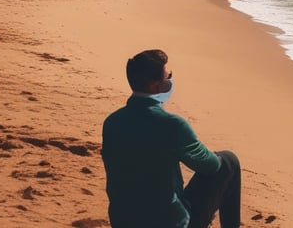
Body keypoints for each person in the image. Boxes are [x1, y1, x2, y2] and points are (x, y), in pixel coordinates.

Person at [102, 49, 241, 228]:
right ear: (156, 85)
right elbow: (212, 165)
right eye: (168, 77)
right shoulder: (172, 125)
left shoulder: (112, 122)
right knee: (229, 161)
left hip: (123, 222)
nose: (171, 81)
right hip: (170, 223)